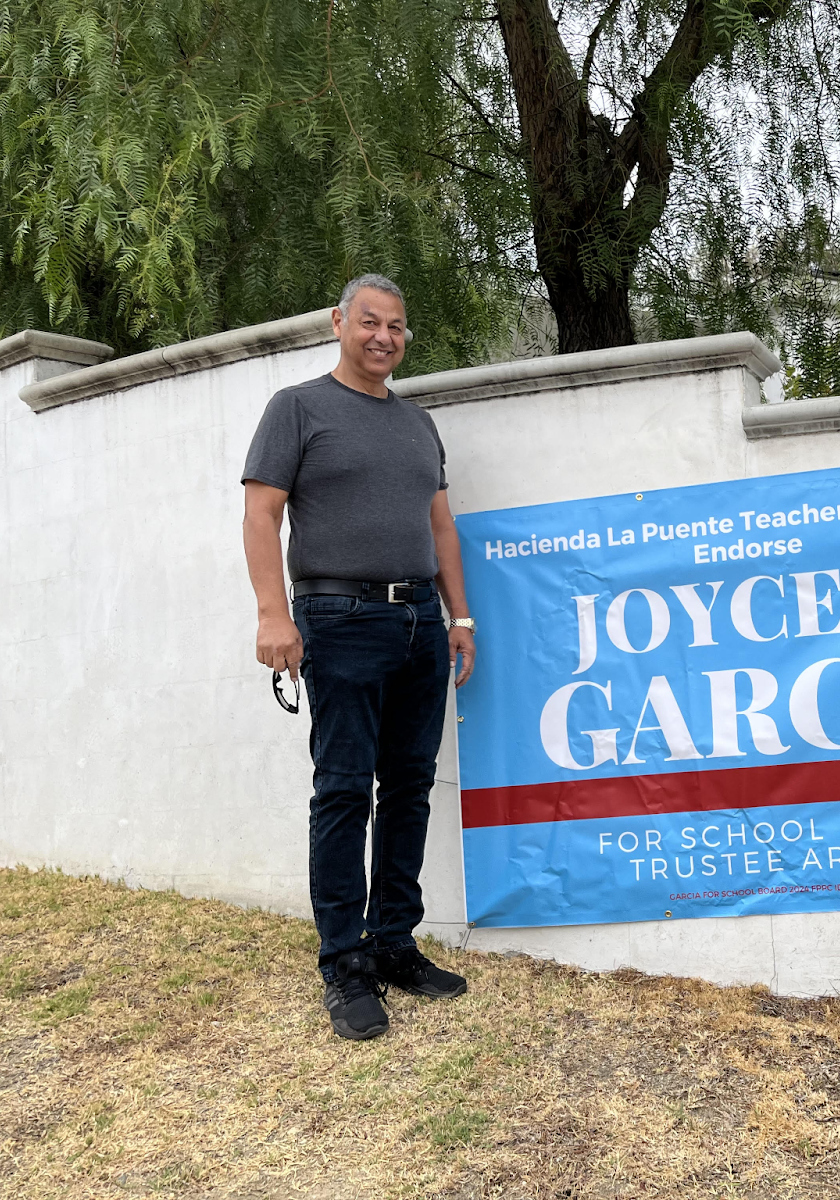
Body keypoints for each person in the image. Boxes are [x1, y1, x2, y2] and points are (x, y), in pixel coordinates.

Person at [241, 274, 477, 1041]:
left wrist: (459, 615)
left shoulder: (419, 425)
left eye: (397, 326)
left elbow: (441, 529)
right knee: (343, 790)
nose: (384, 336)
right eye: (369, 322)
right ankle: (343, 964)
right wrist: (273, 614)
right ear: (340, 322)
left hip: (417, 617)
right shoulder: (298, 408)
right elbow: (260, 512)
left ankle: (394, 945)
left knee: (409, 786)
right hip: (336, 616)